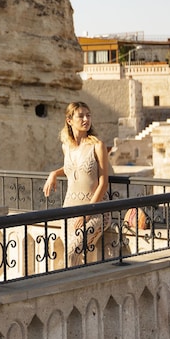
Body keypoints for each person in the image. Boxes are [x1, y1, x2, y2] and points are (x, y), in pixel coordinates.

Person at [43, 102, 116, 264]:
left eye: (88, 115)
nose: (86, 119)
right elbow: (73, 167)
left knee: (71, 253)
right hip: (69, 209)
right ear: (69, 120)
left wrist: (87, 213)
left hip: (95, 211)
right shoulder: (66, 147)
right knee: (70, 255)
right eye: (81, 116)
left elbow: (103, 183)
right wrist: (54, 173)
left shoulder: (98, 146)